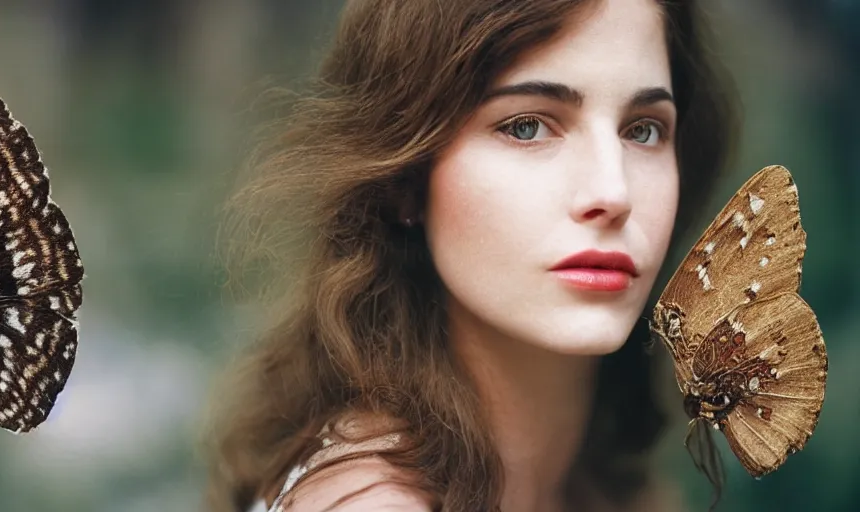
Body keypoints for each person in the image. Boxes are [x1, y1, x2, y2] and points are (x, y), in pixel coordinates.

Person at [203, 0, 740, 510]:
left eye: (643, 131)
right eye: (526, 126)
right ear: (406, 179)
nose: (613, 192)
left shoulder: (600, 482)